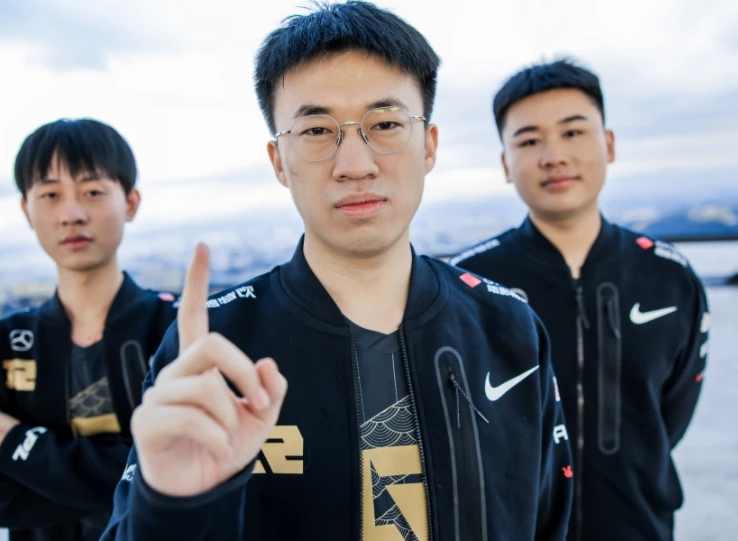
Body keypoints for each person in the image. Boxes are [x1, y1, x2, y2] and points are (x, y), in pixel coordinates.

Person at [103, 3, 573, 540]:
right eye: (317, 130)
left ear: (429, 146)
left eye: (386, 124)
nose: (355, 165)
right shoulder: (216, 348)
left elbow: (549, 522)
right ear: (279, 161)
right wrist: (174, 506)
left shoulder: (508, 329)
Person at [451, 59, 709, 541]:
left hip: (641, 528)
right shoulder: (468, 285)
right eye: (529, 141)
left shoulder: (669, 278)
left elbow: (670, 417)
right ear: (506, 163)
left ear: (608, 144)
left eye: (572, 133)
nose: (553, 156)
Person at [0, 118, 179, 541]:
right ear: (26, 210)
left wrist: (23, 450)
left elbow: (186, 467)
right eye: (50, 195)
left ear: (130, 202)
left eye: (92, 192)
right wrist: (134, 474)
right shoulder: (0, 347)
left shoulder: (174, 328)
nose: (72, 215)